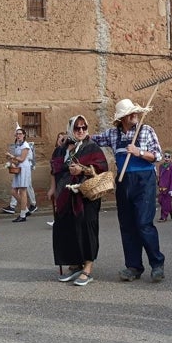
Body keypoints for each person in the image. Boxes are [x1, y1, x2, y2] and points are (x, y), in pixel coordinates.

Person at [91, 98, 166, 283]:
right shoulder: (112, 134)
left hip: (144, 181)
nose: (135, 115)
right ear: (122, 118)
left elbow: (158, 155)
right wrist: (73, 136)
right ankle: (133, 266)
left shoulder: (146, 130)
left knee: (143, 223)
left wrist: (138, 152)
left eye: (135, 112)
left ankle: (157, 265)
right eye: (131, 113)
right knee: (127, 225)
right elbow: (93, 139)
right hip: (124, 182)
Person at [49, 115, 108, 286]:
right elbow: (54, 169)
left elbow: (102, 168)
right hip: (64, 195)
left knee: (86, 229)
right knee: (66, 228)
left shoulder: (92, 147)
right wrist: (52, 188)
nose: (81, 131)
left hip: (86, 196)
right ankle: (74, 264)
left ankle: (87, 268)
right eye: (77, 128)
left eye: (83, 127)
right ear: (70, 129)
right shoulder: (61, 149)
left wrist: (81, 170)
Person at [6, 128, 33, 222]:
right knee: (14, 191)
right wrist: (11, 161)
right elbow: (17, 159)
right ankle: (25, 209)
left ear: (24, 135)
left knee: (23, 191)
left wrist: (12, 157)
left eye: (20, 134)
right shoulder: (18, 145)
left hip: (24, 169)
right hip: (19, 168)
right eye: (17, 134)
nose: (18, 135)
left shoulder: (25, 145)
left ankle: (22, 215)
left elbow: (22, 158)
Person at [46, 132, 66, 228]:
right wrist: (52, 188)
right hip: (58, 180)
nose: (60, 140)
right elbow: (53, 170)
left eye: (63, 138)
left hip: (67, 182)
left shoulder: (69, 150)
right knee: (57, 201)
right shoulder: (56, 152)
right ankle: (57, 220)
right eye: (59, 138)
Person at [157, 150, 172, 222]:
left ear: (171, 158)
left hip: (168, 188)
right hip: (162, 187)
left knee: (166, 203)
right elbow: (160, 176)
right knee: (160, 201)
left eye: (168, 157)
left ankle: (163, 216)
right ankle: (171, 209)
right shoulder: (161, 166)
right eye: (165, 156)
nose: (166, 158)